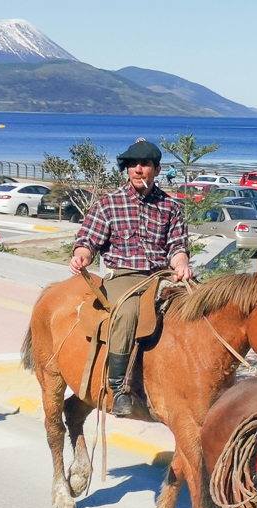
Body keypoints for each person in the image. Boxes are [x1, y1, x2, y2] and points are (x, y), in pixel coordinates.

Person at [70, 139, 193, 417]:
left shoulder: (170, 207)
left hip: (160, 275)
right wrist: (82, 256)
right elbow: (87, 240)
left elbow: (177, 247)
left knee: (196, 306)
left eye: (145, 164)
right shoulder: (108, 204)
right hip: (123, 276)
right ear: (127, 170)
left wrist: (182, 264)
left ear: (157, 169)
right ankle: (119, 388)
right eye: (133, 165)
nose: (138, 170)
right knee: (127, 312)